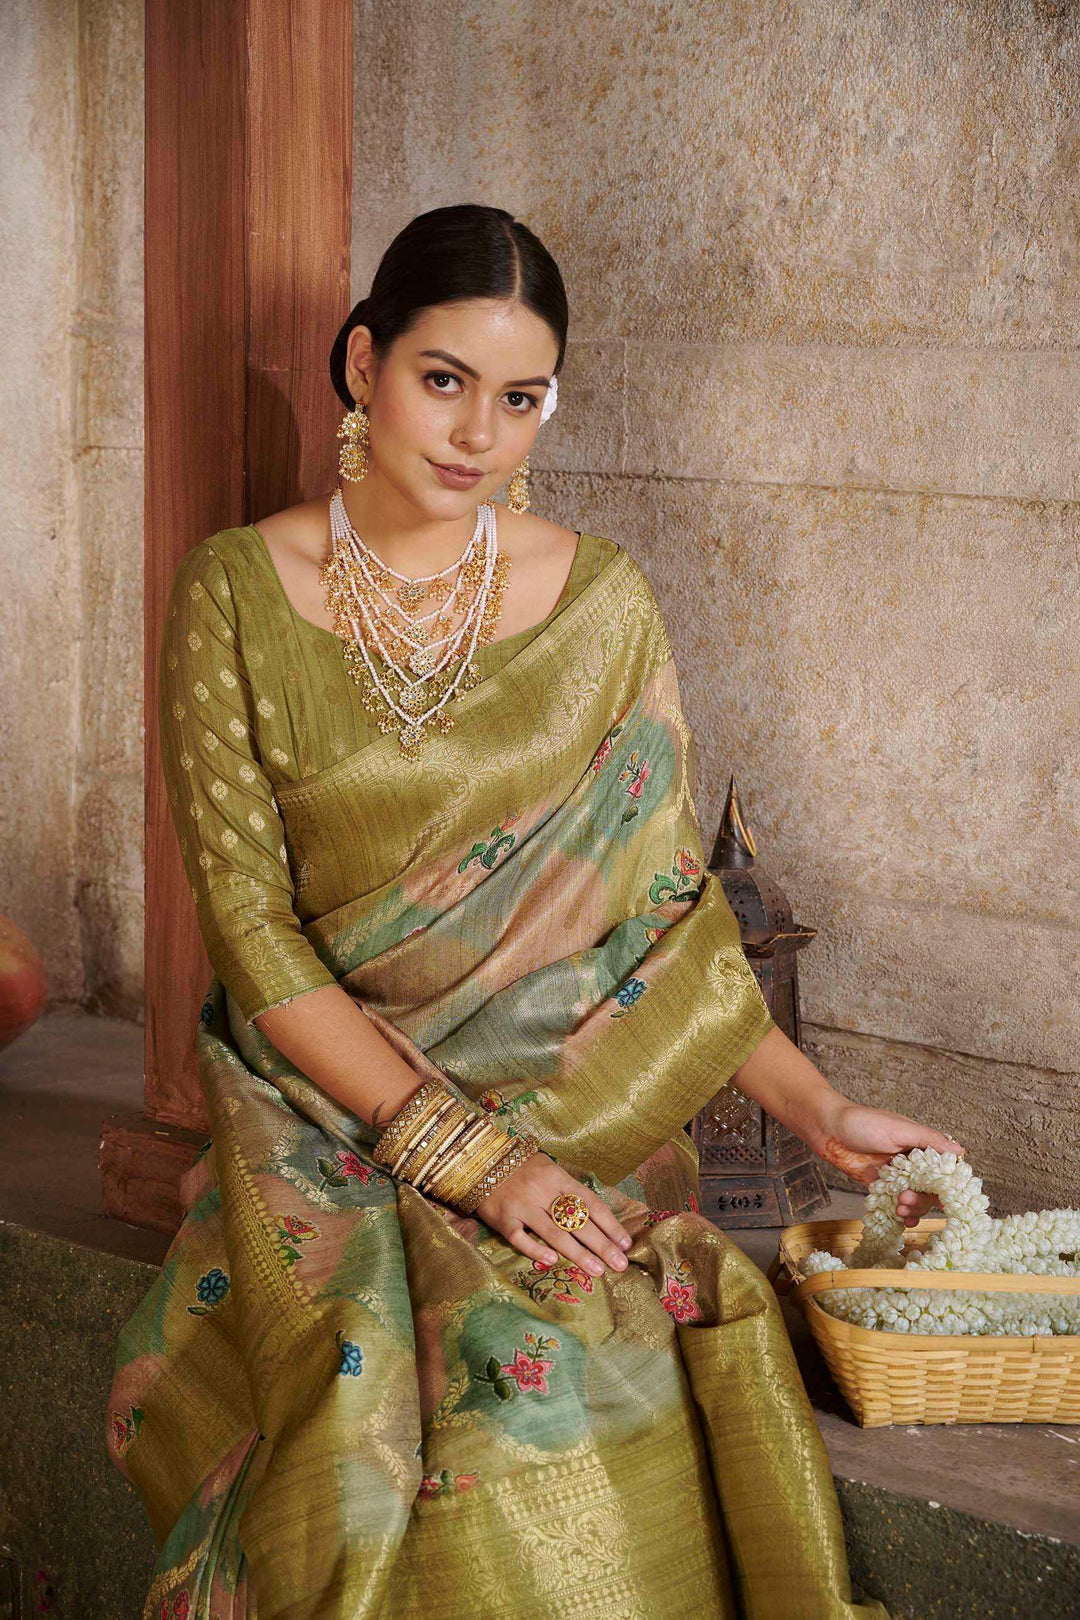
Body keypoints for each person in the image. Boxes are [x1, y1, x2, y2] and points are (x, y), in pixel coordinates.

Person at [106, 202, 961, 1620]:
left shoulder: (601, 602)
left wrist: (817, 1113)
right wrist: (464, 1161)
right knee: (363, 1422)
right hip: (324, 1107)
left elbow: (665, 914)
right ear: (364, 364)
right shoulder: (238, 594)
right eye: (443, 379)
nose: (477, 433)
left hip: (566, 1098)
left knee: (564, 1349)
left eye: (521, 398)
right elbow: (252, 939)